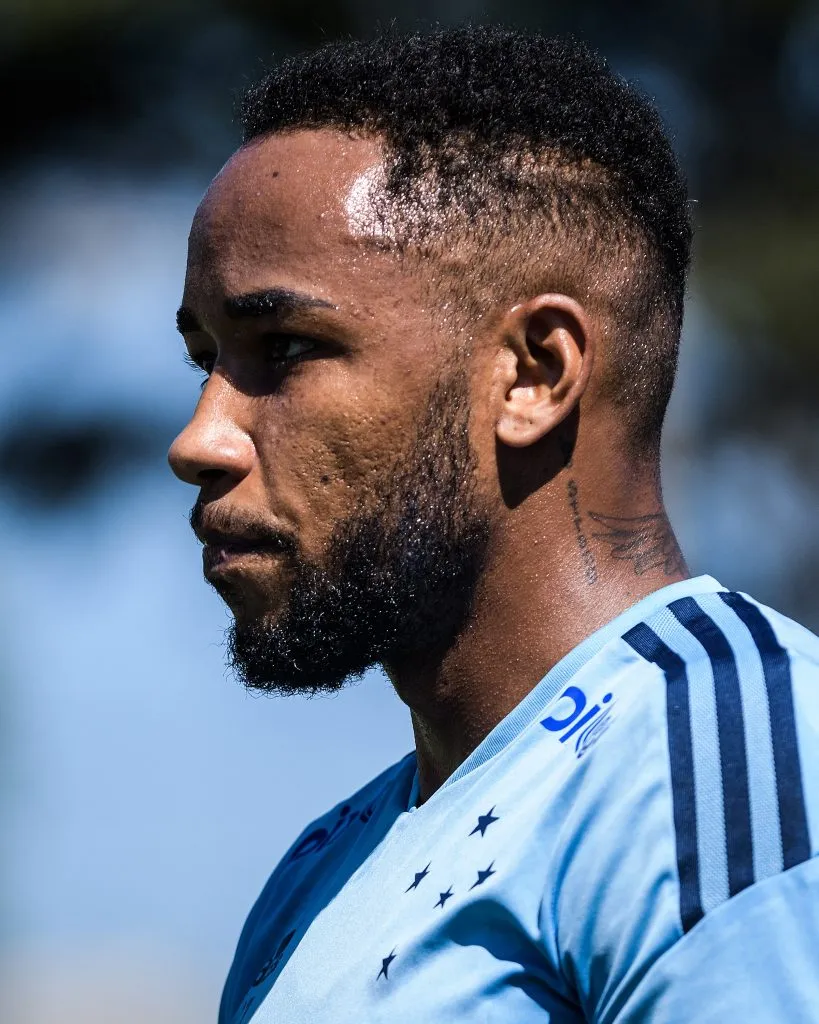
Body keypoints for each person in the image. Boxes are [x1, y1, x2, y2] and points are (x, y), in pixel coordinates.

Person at [168, 25, 819, 1024]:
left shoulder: (726, 760)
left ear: (534, 373)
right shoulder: (321, 870)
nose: (202, 437)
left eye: (285, 348)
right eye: (203, 359)